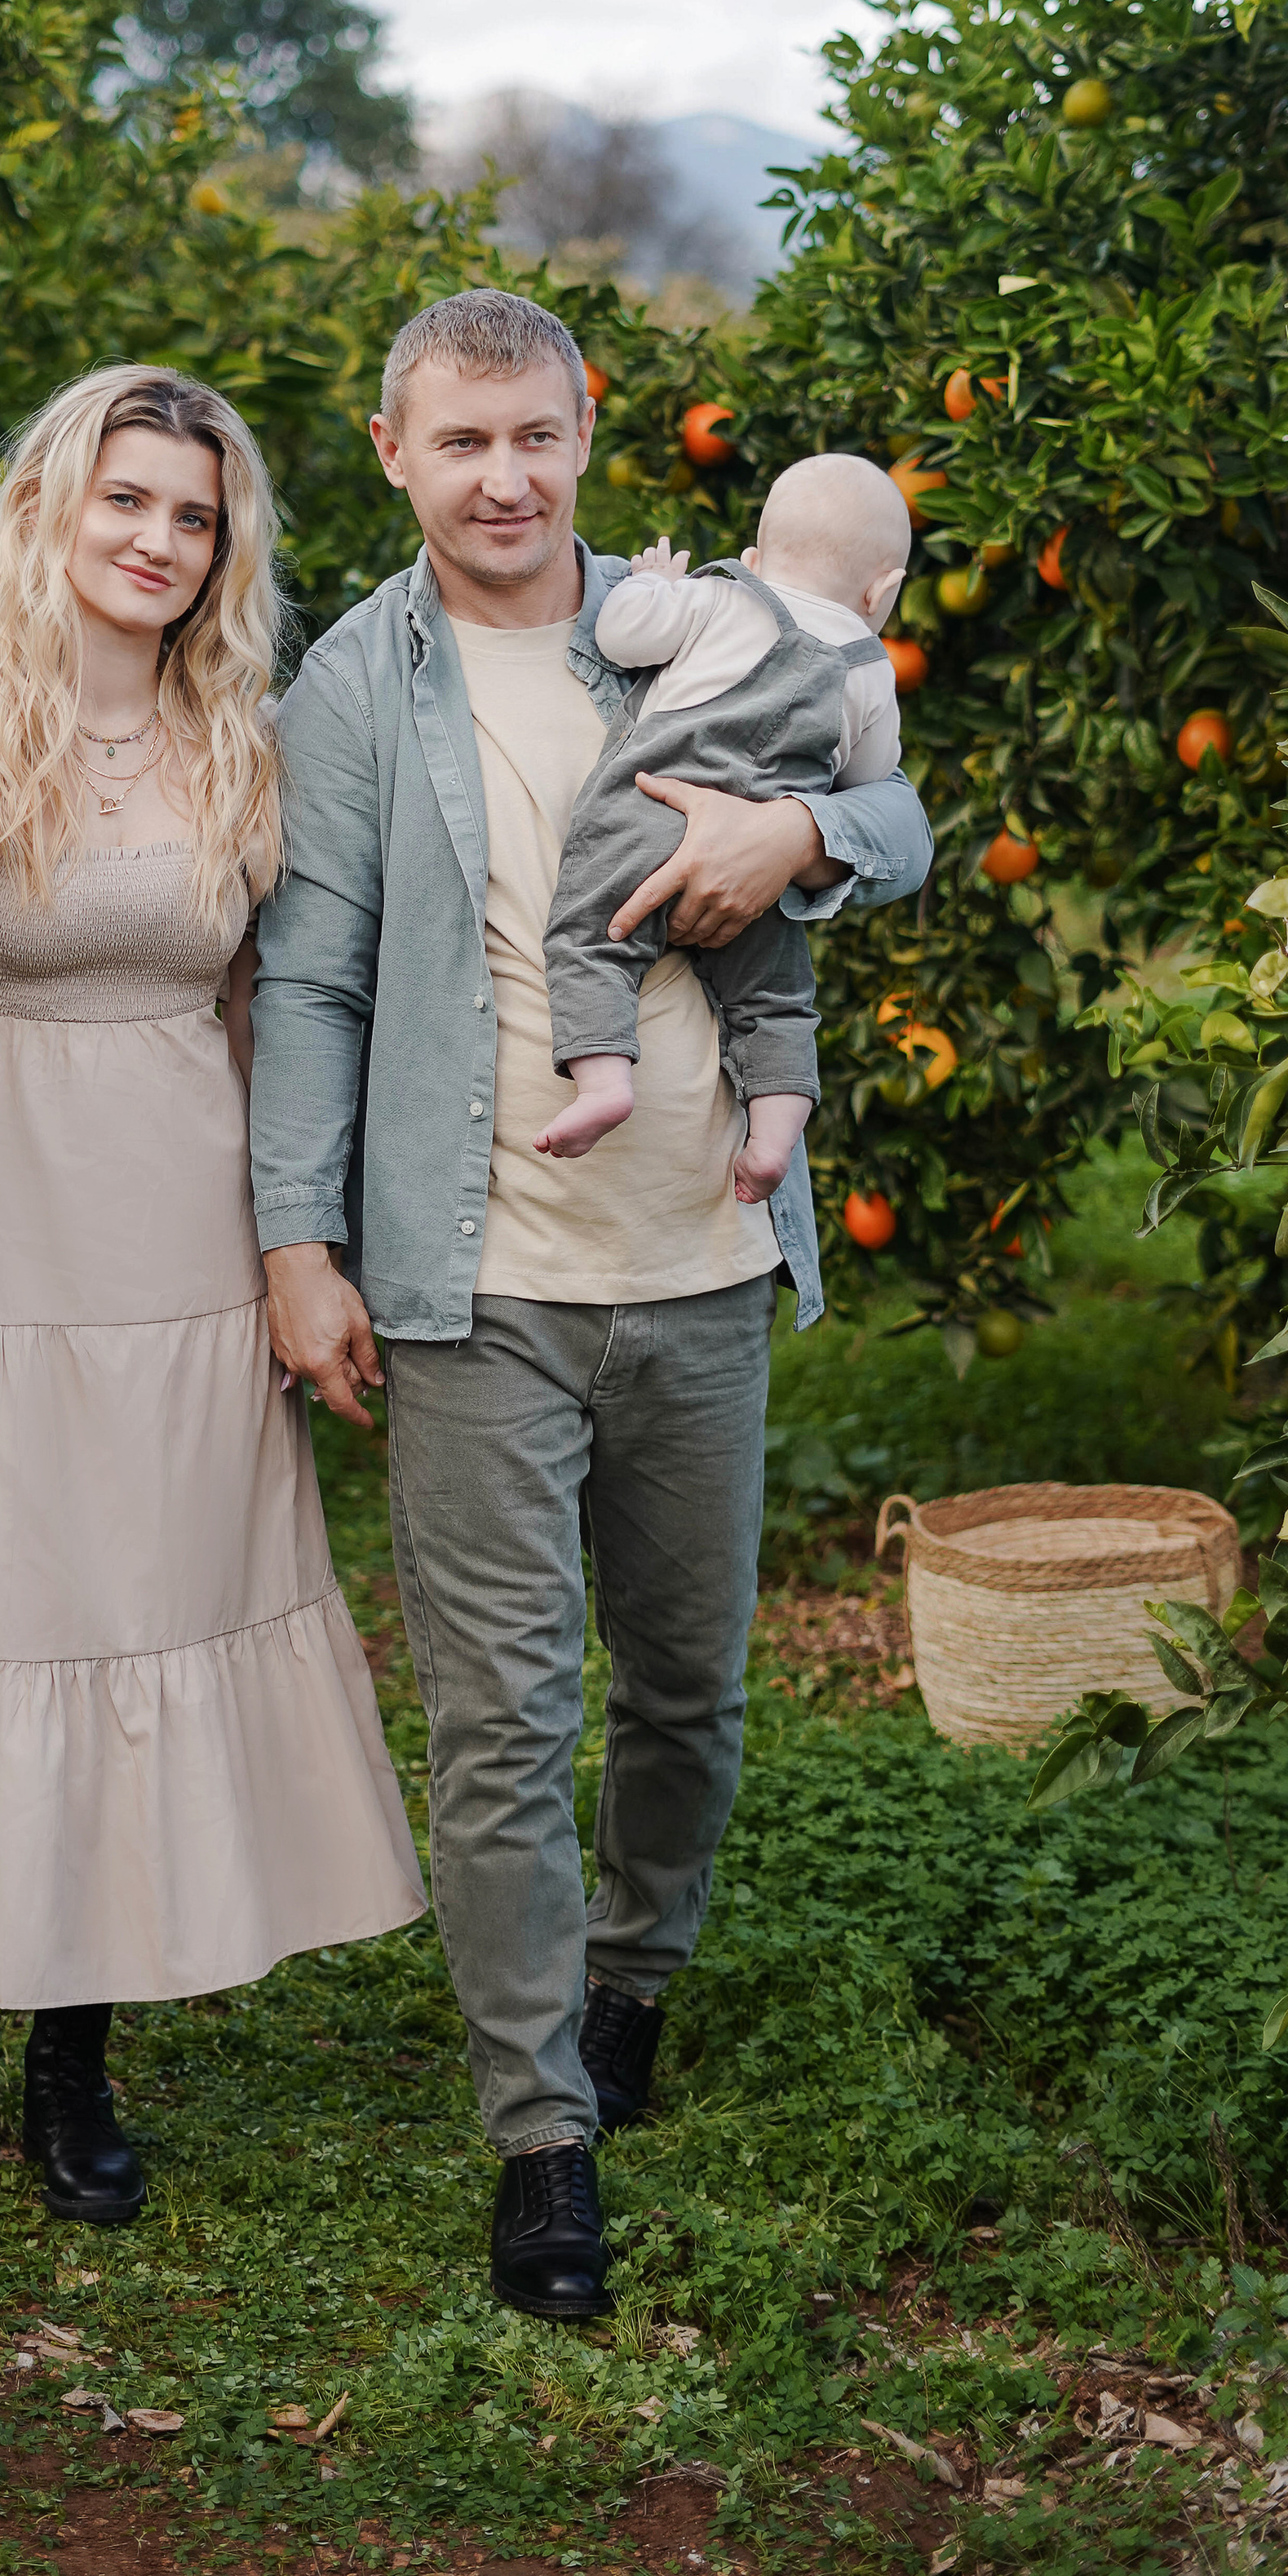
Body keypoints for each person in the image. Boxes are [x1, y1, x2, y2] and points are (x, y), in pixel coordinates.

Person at [249, 292, 931, 2321]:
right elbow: (313, 978)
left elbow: (893, 811)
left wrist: (797, 829)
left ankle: (633, 1978)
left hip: (702, 1259)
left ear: (581, 431)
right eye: (459, 442)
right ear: (393, 450)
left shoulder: (688, 617)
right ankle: (539, 2132)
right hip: (478, 1280)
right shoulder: (351, 682)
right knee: (498, 1717)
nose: (502, 480)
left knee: (687, 1693)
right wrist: (297, 1242)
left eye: (533, 437)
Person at [0, 362, 424, 2229]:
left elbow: (255, 1018)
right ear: (50, 507)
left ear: (221, 552)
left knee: (140, 1608)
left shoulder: (241, 739)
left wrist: (292, 1252)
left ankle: (72, 2058)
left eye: (192, 515)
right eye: (125, 497)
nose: (156, 538)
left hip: (181, 1235)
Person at [534, 452, 909, 1179]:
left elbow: (619, 637)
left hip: (647, 814)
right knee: (774, 999)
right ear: (883, 589)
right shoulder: (870, 670)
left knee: (591, 942)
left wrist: (653, 585)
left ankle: (605, 1083)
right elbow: (871, 779)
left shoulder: (718, 598)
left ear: (755, 559)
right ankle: (771, 1139)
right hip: (759, 868)